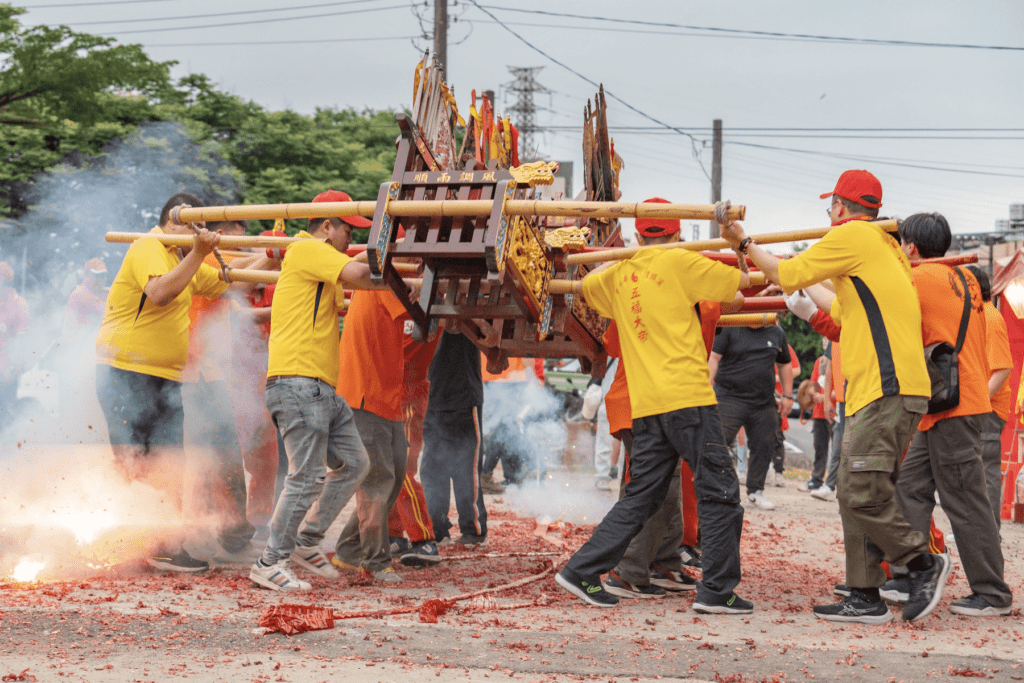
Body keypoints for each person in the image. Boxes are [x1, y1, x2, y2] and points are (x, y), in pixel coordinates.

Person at [718, 170, 948, 624]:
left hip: (885, 388)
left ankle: (921, 563)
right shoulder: (880, 246)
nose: (829, 214)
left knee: (861, 490)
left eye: (830, 207)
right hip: (884, 389)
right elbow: (838, 308)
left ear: (840, 207)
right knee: (854, 490)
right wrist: (801, 296)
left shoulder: (852, 236)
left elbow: (787, 272)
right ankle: (864, 594)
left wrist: (742, 242)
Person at [554, 196, 752, 613]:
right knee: (719, 490)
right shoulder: (683, 261)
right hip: (688, 398)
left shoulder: (620, 274)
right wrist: (736, 242)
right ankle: (718, 591)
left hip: (646, 408)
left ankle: (581, 570)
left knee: (640, 497)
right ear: (678, 233)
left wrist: (621, 258)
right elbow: (742, 284)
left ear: (638, 235)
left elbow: (587, 286)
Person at [95, 192, 264, 573]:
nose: (200, 234)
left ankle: (161, 544)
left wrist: (270, 256)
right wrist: (199, 252)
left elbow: (228, 282)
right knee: (139, 460)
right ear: (174, 221)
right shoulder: (150, 245)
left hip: (164, 377)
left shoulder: (179, 257)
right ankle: (143, 543)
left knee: (170, 461)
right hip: (127, 371)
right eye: (195, 226)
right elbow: (159, 292)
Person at [249, 190, 384, 591]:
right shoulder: (308, 249)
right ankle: (269, 561)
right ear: (326, 226)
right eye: (347, 230)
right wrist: (394, 255)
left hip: (319, 387)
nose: (350, 238)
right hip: (298, 382)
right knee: (306, 476)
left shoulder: (318, 262)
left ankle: (306, 540)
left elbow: (358, 273)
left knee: (355, 464)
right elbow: (363, 276)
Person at [891, 214, 1013, 617]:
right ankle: (909, 572)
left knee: (965, 500)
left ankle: (992, 593)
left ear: (910, 246)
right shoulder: (963, 278)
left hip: (955, 407)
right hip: (948, 404)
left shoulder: (918, 278)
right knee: (909, 486)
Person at [421, 320, 495, 547]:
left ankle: (473, 530)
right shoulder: (423, 305)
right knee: (433, 468)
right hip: (431, 394)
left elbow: (488, 332)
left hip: (463, 395)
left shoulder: (471, 306)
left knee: (466, 468)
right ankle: (437, 528)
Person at [709, 322, 793, 510]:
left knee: (765, 444)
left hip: (763, 401)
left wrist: (787, 396)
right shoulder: (729, 326)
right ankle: (715, 491)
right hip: (729, 397)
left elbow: (785, 364)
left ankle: (755, 492)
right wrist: (706, 384)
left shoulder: (776, 331)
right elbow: (713, 357)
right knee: (717, 443)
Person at [966, 264, 1013, 528]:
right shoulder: (980, 316)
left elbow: (1003, 368)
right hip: (981, 406)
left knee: (985, 471)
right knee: (978, 472)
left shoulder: (990, 318)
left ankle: (990, 530)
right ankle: (982, 530)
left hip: (987, 409)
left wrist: (979, 401)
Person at [798, 338, 832, 493]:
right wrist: (810, 394)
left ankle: (835, 483)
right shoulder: (819, 361)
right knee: (820, 449)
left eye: (828, 338)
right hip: (819, 412)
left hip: (835, 411)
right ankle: (816, 480)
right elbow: (812, 386)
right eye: (824, 338)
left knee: (839, 450)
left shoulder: (840, 360)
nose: (825, 341)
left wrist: (824, 397)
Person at [0, 261, 29, 424]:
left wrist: (11, 367)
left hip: (7, 368)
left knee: (5, 412)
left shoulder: (19, 304)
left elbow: (20, 340)